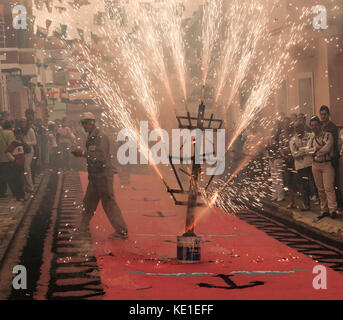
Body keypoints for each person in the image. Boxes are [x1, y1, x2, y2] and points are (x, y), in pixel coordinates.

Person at [72, 112, 128, 240]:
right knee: (88, 203)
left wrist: (83, 154)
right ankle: (83, 228)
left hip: (103, 176)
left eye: (86, 122)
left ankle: (122, 231)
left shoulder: (100, 137)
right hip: (95, 177)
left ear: (93, 122)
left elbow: (100, 157)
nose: (84, 125)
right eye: (83, 123)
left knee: (108, 203)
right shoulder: (91, 137)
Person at [307, 116, 338, 219]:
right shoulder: (311, 138)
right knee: (320, 189)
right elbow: (308, 151)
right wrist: (318, 149)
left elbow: (328, 148)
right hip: (315, 164)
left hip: (326, 164)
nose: (314, 127)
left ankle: (333, 210)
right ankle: (324, 210)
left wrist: (315, 150)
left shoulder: (328, 135)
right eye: (312, 125)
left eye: (316, 125)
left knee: (329, 188)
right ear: (310, 127)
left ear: (320, 125)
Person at [319, 105, 343, 208]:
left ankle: (338, 203)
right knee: (326, 184)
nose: (323, 116)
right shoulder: (320, 126)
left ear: (328, 115)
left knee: (335, 182)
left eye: (325, 114)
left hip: (332, 158)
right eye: (321, 114)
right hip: (323, 158)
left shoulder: (332, 127)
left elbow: (332, 144)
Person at [290, 121, 313, 211]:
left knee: (314, 185)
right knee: (303, 186)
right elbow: (294, 155)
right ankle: (306, 204)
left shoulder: (310, 136)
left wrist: (301, 151)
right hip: (300, 166)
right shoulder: (292, 140)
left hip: (310, 164)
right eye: (296, 127)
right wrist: (305, 150)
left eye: (299, 127)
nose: (298, 129)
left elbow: (311, 149)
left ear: (303, 127)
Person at [5, 128, 30, 201]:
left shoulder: (21, 143)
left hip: (21, 164)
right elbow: (7, 152)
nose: (20, 135)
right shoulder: (14, 143)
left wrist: (24, 142)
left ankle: (22, 195)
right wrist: (13, 159)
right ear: (15, 135)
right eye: (18, 134)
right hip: (16, 165)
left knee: (22, 180)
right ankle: (20, 196)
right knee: (19, 181)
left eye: (21, 134)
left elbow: (28, 150)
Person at [279, 117, 296, 208]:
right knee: (288, 181)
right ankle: (292, 201)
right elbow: (281, 147)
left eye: (287, 123)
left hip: (295, 160)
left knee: (297, 181)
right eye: (284, 124)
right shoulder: (281, 136)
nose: (286, 125)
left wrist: (292, 155)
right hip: (286, 161)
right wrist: (284, 155)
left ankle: (303, 202)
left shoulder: (294, 134)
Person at [20, 118, 37, 193]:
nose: (23, 123)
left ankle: (31, 186)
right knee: (23, 169)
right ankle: (25, 186)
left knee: (27, 167)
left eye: (24, 121)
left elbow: (34, 142)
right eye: (21, 121)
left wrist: (26, 143)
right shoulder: (20, 130)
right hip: (21, 151)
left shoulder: (30, 130)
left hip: (29, 151)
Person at [0, 120, 14, 197]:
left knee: (1, 175)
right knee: (9, 175)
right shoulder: (9, 133)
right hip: (7, 157)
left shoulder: (1, 132)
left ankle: (1, 192)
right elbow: (10, 145)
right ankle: (14, 191)